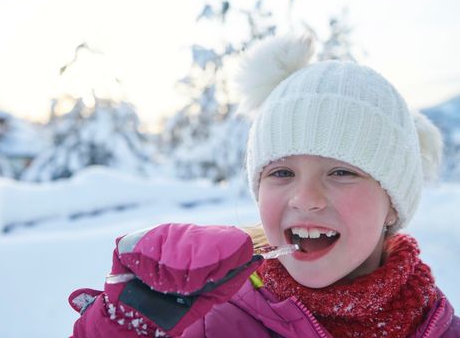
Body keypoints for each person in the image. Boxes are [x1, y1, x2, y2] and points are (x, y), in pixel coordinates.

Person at [68, 34, 460, 337]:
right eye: (281, 173)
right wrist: (122, 327)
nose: (306, 199)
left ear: (393, 202)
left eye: (342, 172)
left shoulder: (440, 327)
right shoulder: (207, 323)